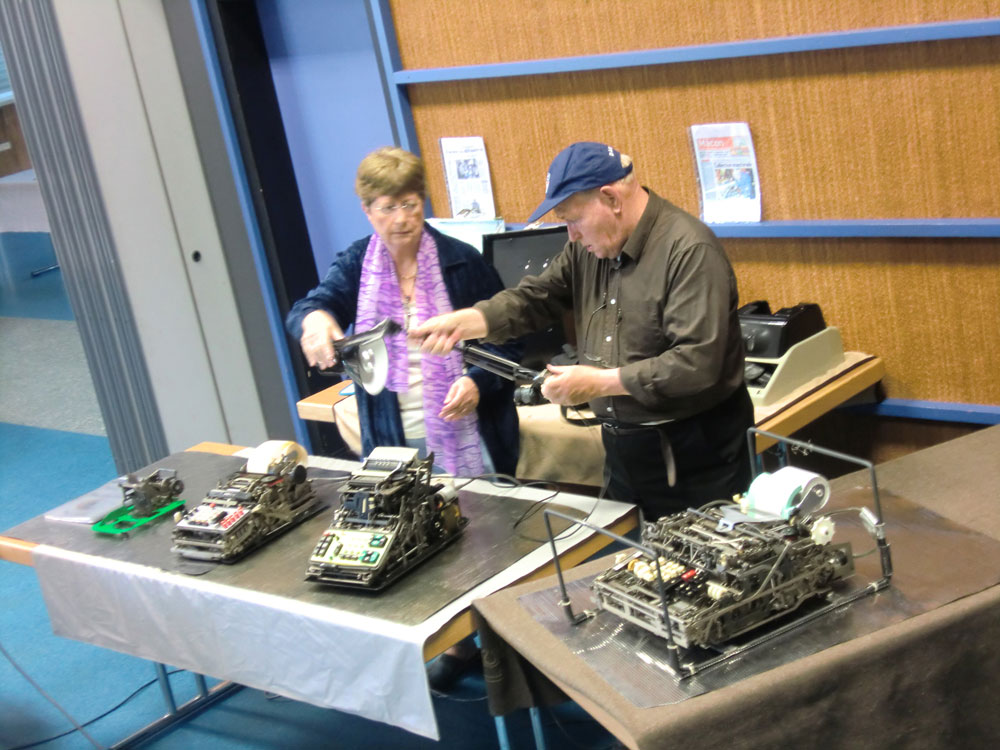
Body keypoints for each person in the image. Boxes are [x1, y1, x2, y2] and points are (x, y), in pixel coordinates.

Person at [411, 141, 753, 520]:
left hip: (697, 457)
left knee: (701, 556)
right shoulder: (589, 248)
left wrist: (598, 383)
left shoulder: (689, 250)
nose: (571, 235)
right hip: (625, 451)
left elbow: (696, 364)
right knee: (629, 554)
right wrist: (468, 322)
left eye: (573, 220)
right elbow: (536, 298)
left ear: (611, 199)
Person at [285, 146, 521, 478]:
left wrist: (477, 383)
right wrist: (316, 319)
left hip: (469, 434)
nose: (401, 218)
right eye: (388, 207)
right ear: (367, 210)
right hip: (391, 439)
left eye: (410, 204)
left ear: (422, 202)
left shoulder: (462, 261)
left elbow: (510, 342)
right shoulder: (357, 264)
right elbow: (310, 307)